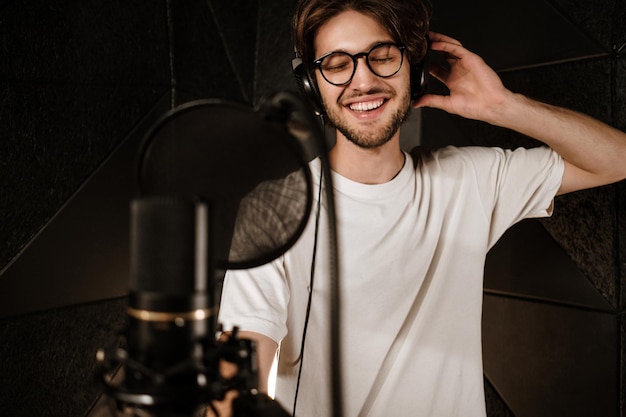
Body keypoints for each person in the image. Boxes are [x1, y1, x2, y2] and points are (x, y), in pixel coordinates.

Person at [215, 0, 626, 416]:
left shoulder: (469, 181)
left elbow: (616, 158)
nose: (363, 81)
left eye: (383, 57)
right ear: (311, 84)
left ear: (416, 69)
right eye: (338, 64)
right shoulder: (273, 212)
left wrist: (502, 106)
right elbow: (236, 377)